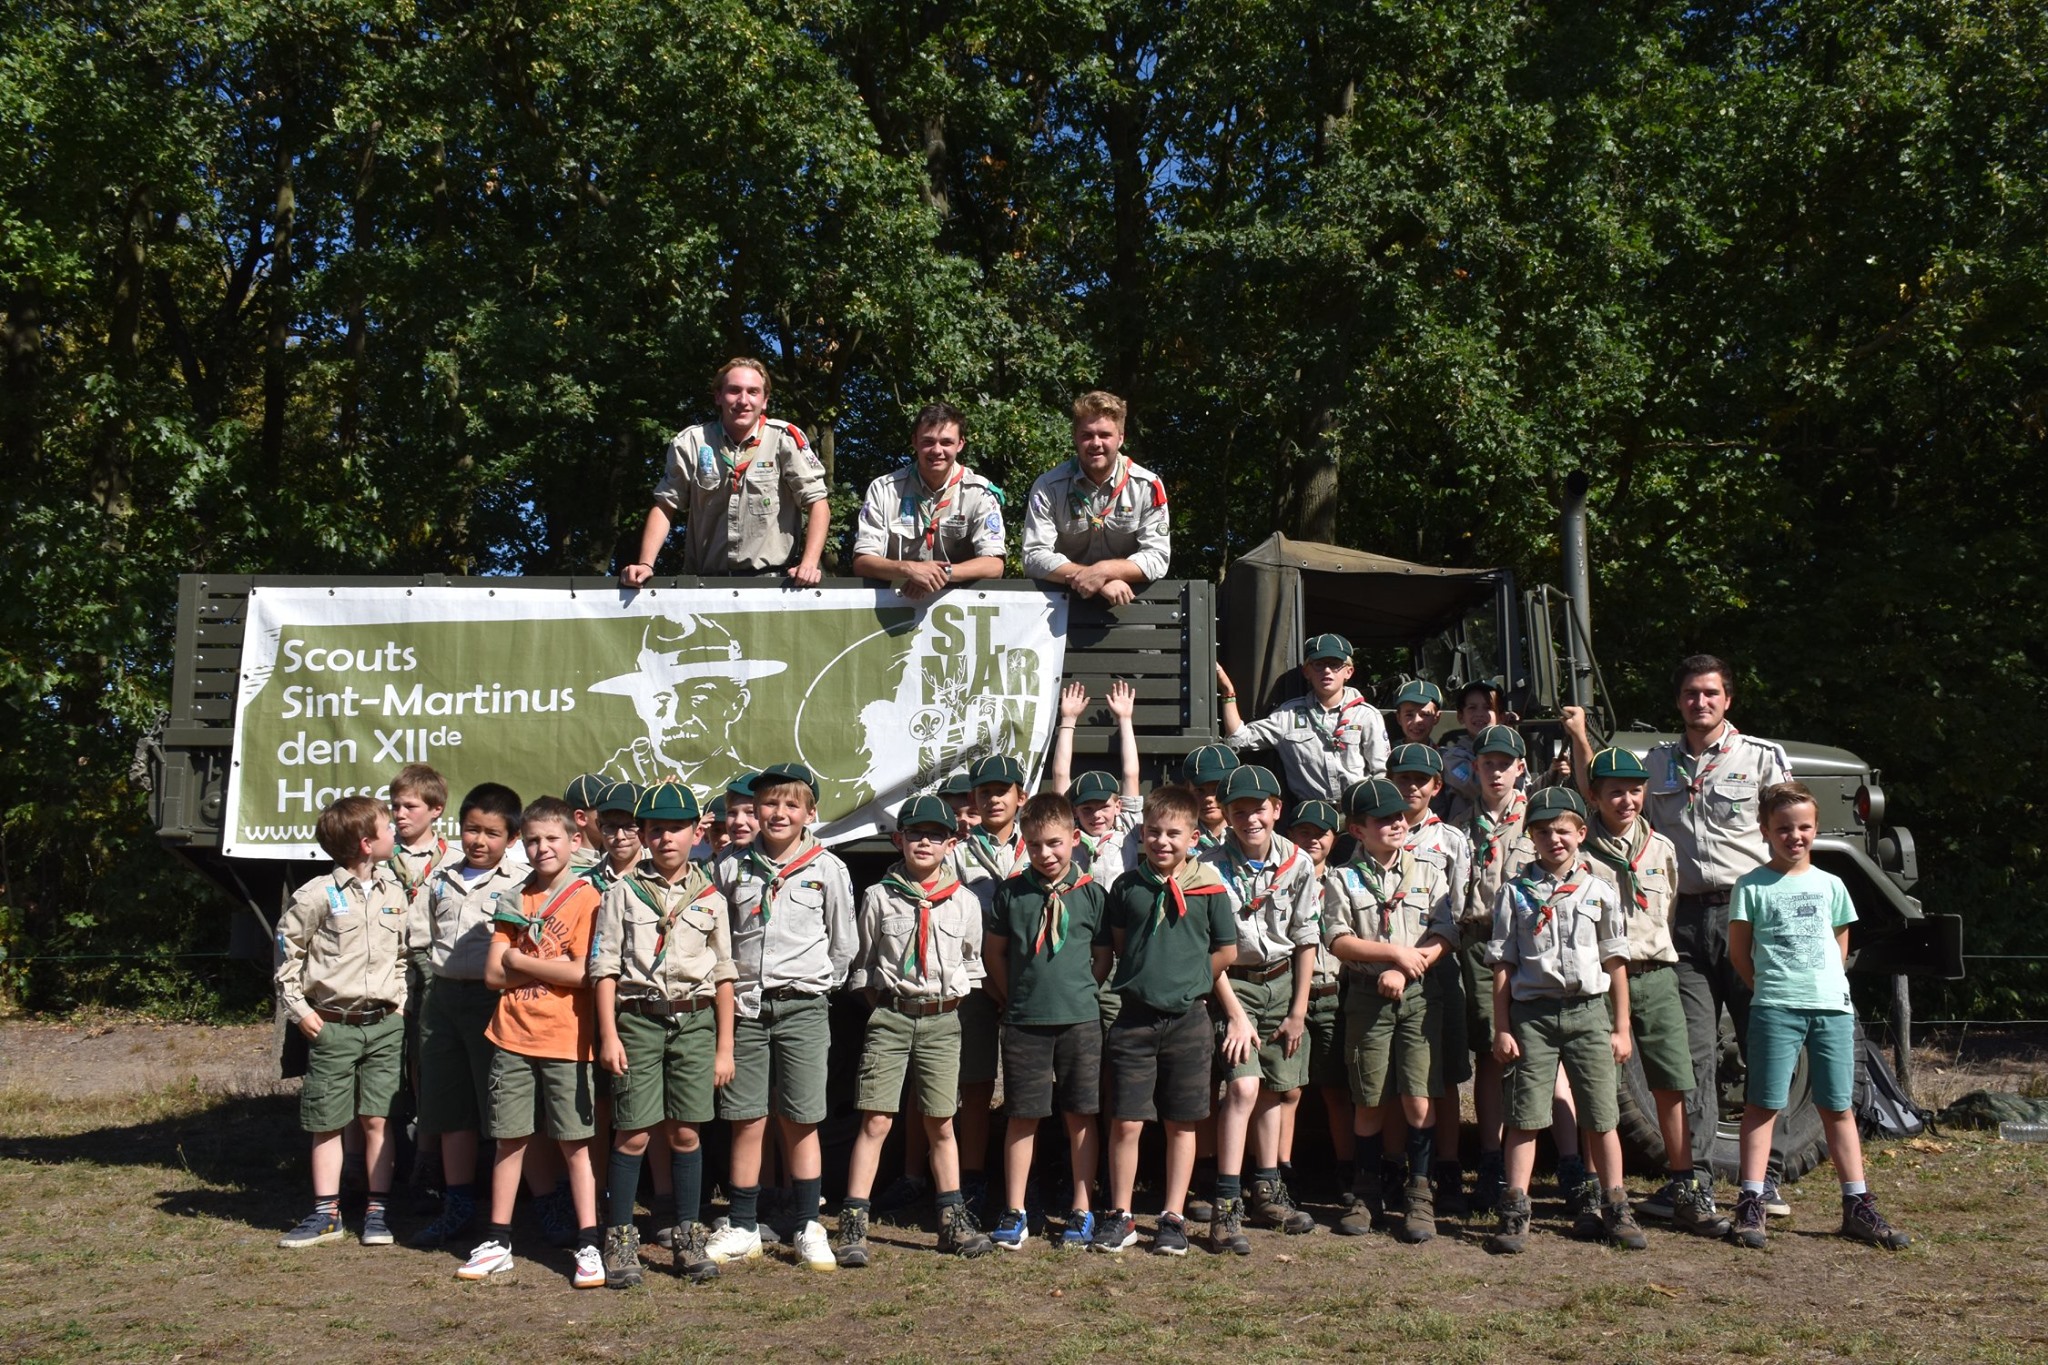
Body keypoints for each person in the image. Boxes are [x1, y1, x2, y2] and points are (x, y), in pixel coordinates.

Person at [1637, 657, 1794, 1213]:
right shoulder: (1655, 763)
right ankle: (1694, 1178)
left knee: (1763, 1046)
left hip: (1746, 914)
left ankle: (1764, 1176)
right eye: (1689, 694)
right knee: (1692, 1053)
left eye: (1709, 693)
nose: (1698, 703)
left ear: (1728, 699)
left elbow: (1791, 831)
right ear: (1678, 701)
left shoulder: (1761, 758)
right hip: (1681, 921)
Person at [1729, 782, 1911, 1250]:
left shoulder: (1833, 885)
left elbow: (1839, 947)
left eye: (1804, 827)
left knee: (1838, 1107)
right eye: (1784, 828)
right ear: (1765, 831)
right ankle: (1750, 1202)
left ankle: (1858, 1205)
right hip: (1775, 1008)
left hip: (1831, 1009)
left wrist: (1822, 987)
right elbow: (1739, 954)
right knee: (1764, 1104)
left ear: (1815, 828)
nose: (1796, 836)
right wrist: (1771, 989)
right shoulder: (1751, 886)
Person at [1570, 739, 1729, 1237]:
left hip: (1657, 975)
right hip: (1598, 981)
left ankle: (1687, 1189)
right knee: (1597, 1089)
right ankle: (1596, 1194)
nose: (1627, 801)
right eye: (1615, 792)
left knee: (1673, 1081)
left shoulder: (1661, 848)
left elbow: (1669, 909)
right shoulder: (1579, 853)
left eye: (1635, 791)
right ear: (1594, 797)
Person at [707, 764, 857, 1270]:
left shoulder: (827, 869)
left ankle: (807, 1223)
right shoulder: (730, 867)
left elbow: (843, 944)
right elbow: (719, 938)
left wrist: (812, 986)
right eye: (769, 803)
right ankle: (745, 1225)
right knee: (746, 1117)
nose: (778, 813)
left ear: (810, 813)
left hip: (804, 1006)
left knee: (802, 1117)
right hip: (747, 1007)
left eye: (791, 805)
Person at [1483, 787, 1645, 1254]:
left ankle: (1615, 1206)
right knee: (1525, 1116)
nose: (1554, 839)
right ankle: (1515, 1210)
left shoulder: (1600, 889)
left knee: (1602, 1114)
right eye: (1544, 831)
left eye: (1563, 831)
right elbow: (1502, 963)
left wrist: (1621, 1025)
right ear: (1531, 836)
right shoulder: (1513, 893)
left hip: (1588, 1013)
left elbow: (1616, 960)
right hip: (1532, 1015)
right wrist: (1502, 1026)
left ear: (1581, 833)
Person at [835, 795, 993, 1265]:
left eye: (936, 834)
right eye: (915, 834)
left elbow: (972, 963)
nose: (925, 842)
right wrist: (888, 1007)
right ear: (898, 839)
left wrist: (943, 1006)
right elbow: (863, 967)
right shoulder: (879, 897)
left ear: (952, 841)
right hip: (891, 1017)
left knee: (941, 1122)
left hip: (943, 1021)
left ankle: (952, 1219)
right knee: (877, 1119)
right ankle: (854, 1225)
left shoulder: (964, 901)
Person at [457, 797, 607, 1288]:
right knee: (509, 1138)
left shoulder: (588, 897)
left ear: (575, 841)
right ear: (523, 844)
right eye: (534, 840)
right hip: (511, 1036)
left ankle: (589, 1242)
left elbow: (582, 973)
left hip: (566, 1039)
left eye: (553, 839)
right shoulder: (513, 898)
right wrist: (532, 966)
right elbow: (491, 976)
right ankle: (498, 1240)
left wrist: (521, 961)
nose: (544, 848)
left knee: (574, 1144)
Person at [591, 780, 736, 1287]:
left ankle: (688, 1234)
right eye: (656, 829)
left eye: (676, 828)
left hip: (694, 1022)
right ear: (644, 834)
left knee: (687, 1131)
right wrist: (608, 1035)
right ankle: (621, 1237)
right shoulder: (620, 893)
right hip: (638, 1020)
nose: (666, 838)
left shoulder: (711, 896)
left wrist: (724, 1047)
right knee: (632, 1133)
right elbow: (605, 968)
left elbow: (723, 974)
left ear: (696, 832)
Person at [1093, 784, 1237, 1256]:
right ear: (1142, 834)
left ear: (1194, 837)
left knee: (1182, 1122)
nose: (1162, 842)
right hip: (1134, 1019)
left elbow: (1226, 950)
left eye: (1174, 833)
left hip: (1189, 1020)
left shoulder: (1211, 888)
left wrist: (1191, 981)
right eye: (1153, 832)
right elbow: (1117, 944)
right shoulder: (1126, 888)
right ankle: (1121, 1215)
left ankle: (1172, 1216)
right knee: (1127, 1121)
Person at [1321, 777, 1457, 1243]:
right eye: (1383, 819)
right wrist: (1392, 955)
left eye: (1400, 816)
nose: (1397, 823)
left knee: (1419, 1096)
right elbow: (1337, 940)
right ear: (1358, 830)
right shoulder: (1342, 878)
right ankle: (1367, 1192)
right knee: (1370, 1096)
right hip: (1366, 997)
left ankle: (1420, 1196)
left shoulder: (1430, 871)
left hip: (1420, 997)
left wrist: (1410, 965)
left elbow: (1445, 934)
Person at [275, 796, 407, 1250]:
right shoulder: (315, 895)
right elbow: (286, 956)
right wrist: (303, 1013)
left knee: (378, 1119)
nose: (396, 832)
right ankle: (325, 1213)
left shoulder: (395, 892)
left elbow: (403, 957)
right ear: (367, 843)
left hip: (385, 1026)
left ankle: (377, 1211)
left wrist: (401, 1005)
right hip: (332, 1025)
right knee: (327, 1120)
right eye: (388, 827)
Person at [1199, 765, 1321, 1251]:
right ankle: (1226, 1203)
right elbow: (1205, 949)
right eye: (1239, 811)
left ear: (1277, 810)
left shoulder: (1298, 863)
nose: (1251, 819)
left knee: (1275, 1089)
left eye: (1260, 809)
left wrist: (1298, 1009)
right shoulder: (1207, 867)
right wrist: (1233, 1012)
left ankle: (1267, 1189)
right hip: (1234, 986)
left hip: (1283, 984)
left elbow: (1306, 937)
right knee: (1243, 1088)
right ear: (1227, 816)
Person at [984, 793, 1113, 1251]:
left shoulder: (1092, 895)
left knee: (1081, 1114)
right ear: (1025, 844)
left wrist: (1080, 992)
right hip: (1024, 1022)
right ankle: (1015, 1208)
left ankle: (1082, 1207)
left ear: (1075, 840)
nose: (1046, 854)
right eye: (1035, 845)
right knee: (1023, 1115)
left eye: (1055, 843)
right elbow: (994, 954)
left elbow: (1102, 957)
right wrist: (1012, 996)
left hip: (1079, 1020)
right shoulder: (1012, 894)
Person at [410, 783, 528, 1249]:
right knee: (449, 1106)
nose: (479, 841)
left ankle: (528, 1207)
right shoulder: (440, 877)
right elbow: (421, 935)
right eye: (471, 830)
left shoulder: (519, 882)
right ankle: (456, 1205)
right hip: (444, 1001)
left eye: (492, 833)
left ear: (511, 838)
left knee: (503, 1108)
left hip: (493, 1002)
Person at [621, 357, 830, 585]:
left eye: (753, 392)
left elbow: (817, 501)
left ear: (765, 400)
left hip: (772, 585)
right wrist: (645, 563)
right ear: (718, 396)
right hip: (703, 585)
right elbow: (665, 505)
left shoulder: (784, 440)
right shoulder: (692, 442)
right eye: (734, 391)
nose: (743, 400)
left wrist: (809, 563)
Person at [1385, 743, 1477, 1219]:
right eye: (1402, 778)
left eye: (1422, 779)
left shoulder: (1453, 841)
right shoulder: (1373, 834)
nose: (1412, 787)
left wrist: (1418, 960)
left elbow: (1460, 914)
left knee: (1439, 1078)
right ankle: (1393, 1170)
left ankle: (1446, 1169)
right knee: (1393, 1079)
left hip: (1437, 970)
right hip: (1385, 974)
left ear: (1437, 787)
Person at [1452, 723, 1532, 1210]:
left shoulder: (1539, 822)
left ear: (1520, 769)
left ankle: (1531, 1156)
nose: (1496, 772)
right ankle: (1490, 1159)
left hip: (1531, 943)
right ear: (1475, 768)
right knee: (1489, 1049)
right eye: (1488, 764)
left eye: (1505, 764)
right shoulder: (1459, 825)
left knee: (1535, 1049)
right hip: (1479, 942)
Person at [949, 754, 1031, 1217]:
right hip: (978, 981)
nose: (994, 798)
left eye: (1003, 790)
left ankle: (1033, 1178)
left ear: (1021, 797)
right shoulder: (958, 853)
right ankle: (973, 1177)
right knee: (976, 1082)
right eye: (985, 791)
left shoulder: (1038, 844)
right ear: (973, 800)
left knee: (1031, 1086)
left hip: (1032, 979)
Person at [590, 615, 789, 796]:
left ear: (737, 703)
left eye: (698, 697)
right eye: (662, 699)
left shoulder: (754, 788)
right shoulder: (614, 782)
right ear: (639, 706)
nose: (677, 717)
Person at [1021, 391, 1170, 604]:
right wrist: (1097, 579)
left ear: (1120, 438)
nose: (1095, 443)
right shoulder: (1048, 487)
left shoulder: (1147, 486)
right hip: (1064, 606)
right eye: (1087, 435)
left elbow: (1157, 557)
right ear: (1075, 437)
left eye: (1105, 435)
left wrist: (1105, 570)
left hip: (1129, 605)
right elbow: (1034, 557)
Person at [850, 402, 1007, 599]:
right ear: (914, 442)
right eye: (928, 442)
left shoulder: (980, 493)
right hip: (896, 606)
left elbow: (994, 565)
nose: (937, 450)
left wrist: (939, 574)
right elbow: (863, 562)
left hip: (961, 610)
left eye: (946, 442)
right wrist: (909, 570)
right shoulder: (884, 489)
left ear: (960, 444)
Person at [1280, 800, 1352, 1210]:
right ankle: (1280, 1171)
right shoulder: (1283, 879)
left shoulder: (1343, 882)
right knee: (1287, 1089)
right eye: (1303, 831)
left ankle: (1346, 1169)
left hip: (1332, 992)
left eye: (1321, 832)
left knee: (1336, 1091)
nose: (1312, 839)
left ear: (1334, 839)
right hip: (1290, 995)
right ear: (1291, 835)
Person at [1215, 634, 1391, 799]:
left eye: (1335, 664)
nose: (1327, 671)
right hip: (1311, 818)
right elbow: (1239, 738)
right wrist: (1228, 691)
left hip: (1358, 810)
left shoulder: (1366, 715)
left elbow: (1382, 772)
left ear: (1348, 672)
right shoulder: (1288, 715)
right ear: (1307, 671)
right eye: (1319, 664)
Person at [1047, 679, 1143, 877]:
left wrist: (1125, 719)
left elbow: (1131, 774)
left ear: (1118, 807)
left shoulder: (1127, 827)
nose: (1096, 815)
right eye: (1087, 809)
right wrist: (1068, 720)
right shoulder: (1069, 831)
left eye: (1104, 807)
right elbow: (1060, 774)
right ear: (1075, 811)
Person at [583, 780, 644, 893]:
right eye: (610, 827)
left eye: (630, 827)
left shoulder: (664, 876)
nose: (620, 836)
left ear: (644, 828)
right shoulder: (586, 884)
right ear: (598, 826)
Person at [1391, 680, 1445, 747]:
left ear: (1436, 717)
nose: (1416, 721)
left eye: (1425, 714)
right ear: (1399, 718)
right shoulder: (1386, 755)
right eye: (1409, 715)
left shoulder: (1447, 756)